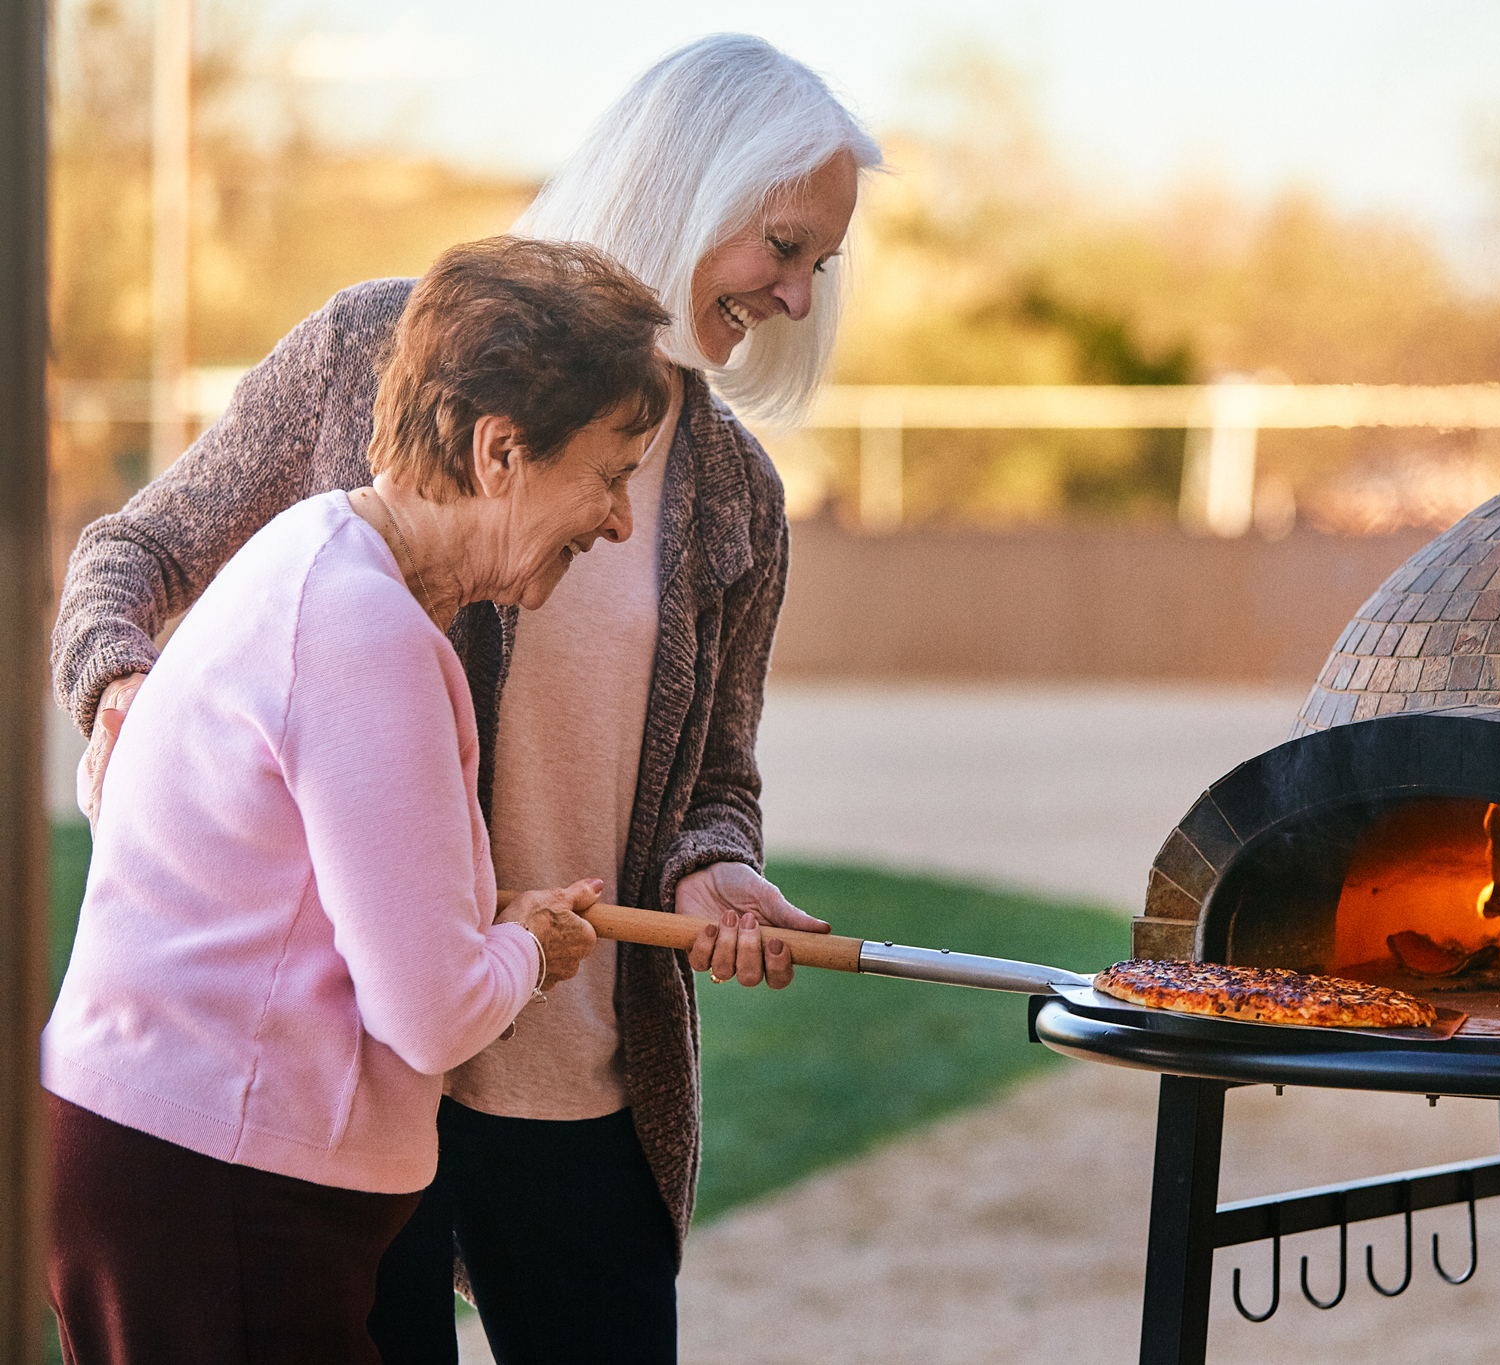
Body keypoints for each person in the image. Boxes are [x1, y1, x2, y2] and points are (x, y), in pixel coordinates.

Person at [50, 32, 883, 1365]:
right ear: (686, 184)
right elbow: (133, 554)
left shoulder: (739, 497)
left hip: (579, 1067)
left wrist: (714, 864)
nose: (795, 294)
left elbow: (715, 771)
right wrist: (128, 698)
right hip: (359, 1071)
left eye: (816, 265)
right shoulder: (387, 348)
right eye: (781, 246)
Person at [43, 235, 677, 1364]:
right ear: (500, 452)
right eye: (611, 473)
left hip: (190, 1172)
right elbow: (429, 1011)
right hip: (215, 1192)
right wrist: (530, 945)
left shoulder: (326, 554)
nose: (619, 520)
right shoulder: (363, 633)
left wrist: (487, 925)